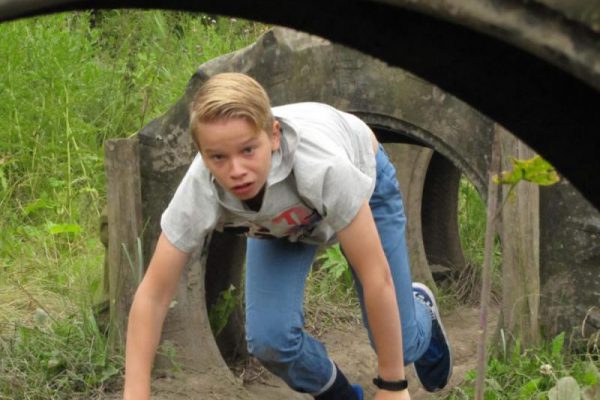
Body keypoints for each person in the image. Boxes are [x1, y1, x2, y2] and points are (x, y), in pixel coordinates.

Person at [123, 72, 452, 400]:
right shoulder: (200, 187)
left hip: (363, 180)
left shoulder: (323, 167)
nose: (236, 170)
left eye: (248, 150)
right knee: (271, 341)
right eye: (218, 157)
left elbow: (375, 277)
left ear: (274, 137)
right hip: (283, 222)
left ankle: (419, 305)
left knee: (399, 345)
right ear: (202, 153)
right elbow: (153, 295)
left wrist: (393, 385)